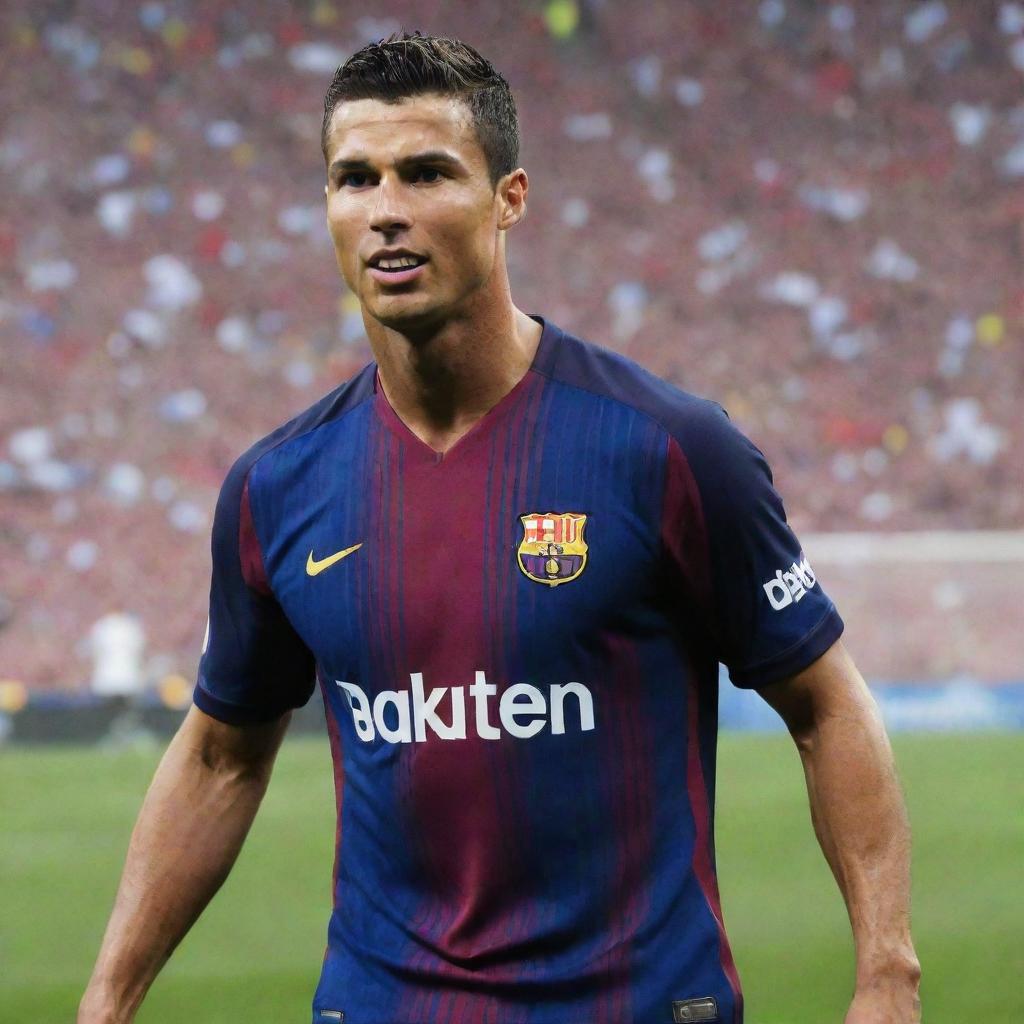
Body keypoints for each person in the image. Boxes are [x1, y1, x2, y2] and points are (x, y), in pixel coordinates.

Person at [79, 32, 920, 1024]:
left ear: (508, 198)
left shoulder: (666, 449)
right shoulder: (277, 487)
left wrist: (884, 976)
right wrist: (107, 1000)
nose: (386, 209)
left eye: (426, 172)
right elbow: (221, 753)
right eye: (355, 178)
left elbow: (825, 706)